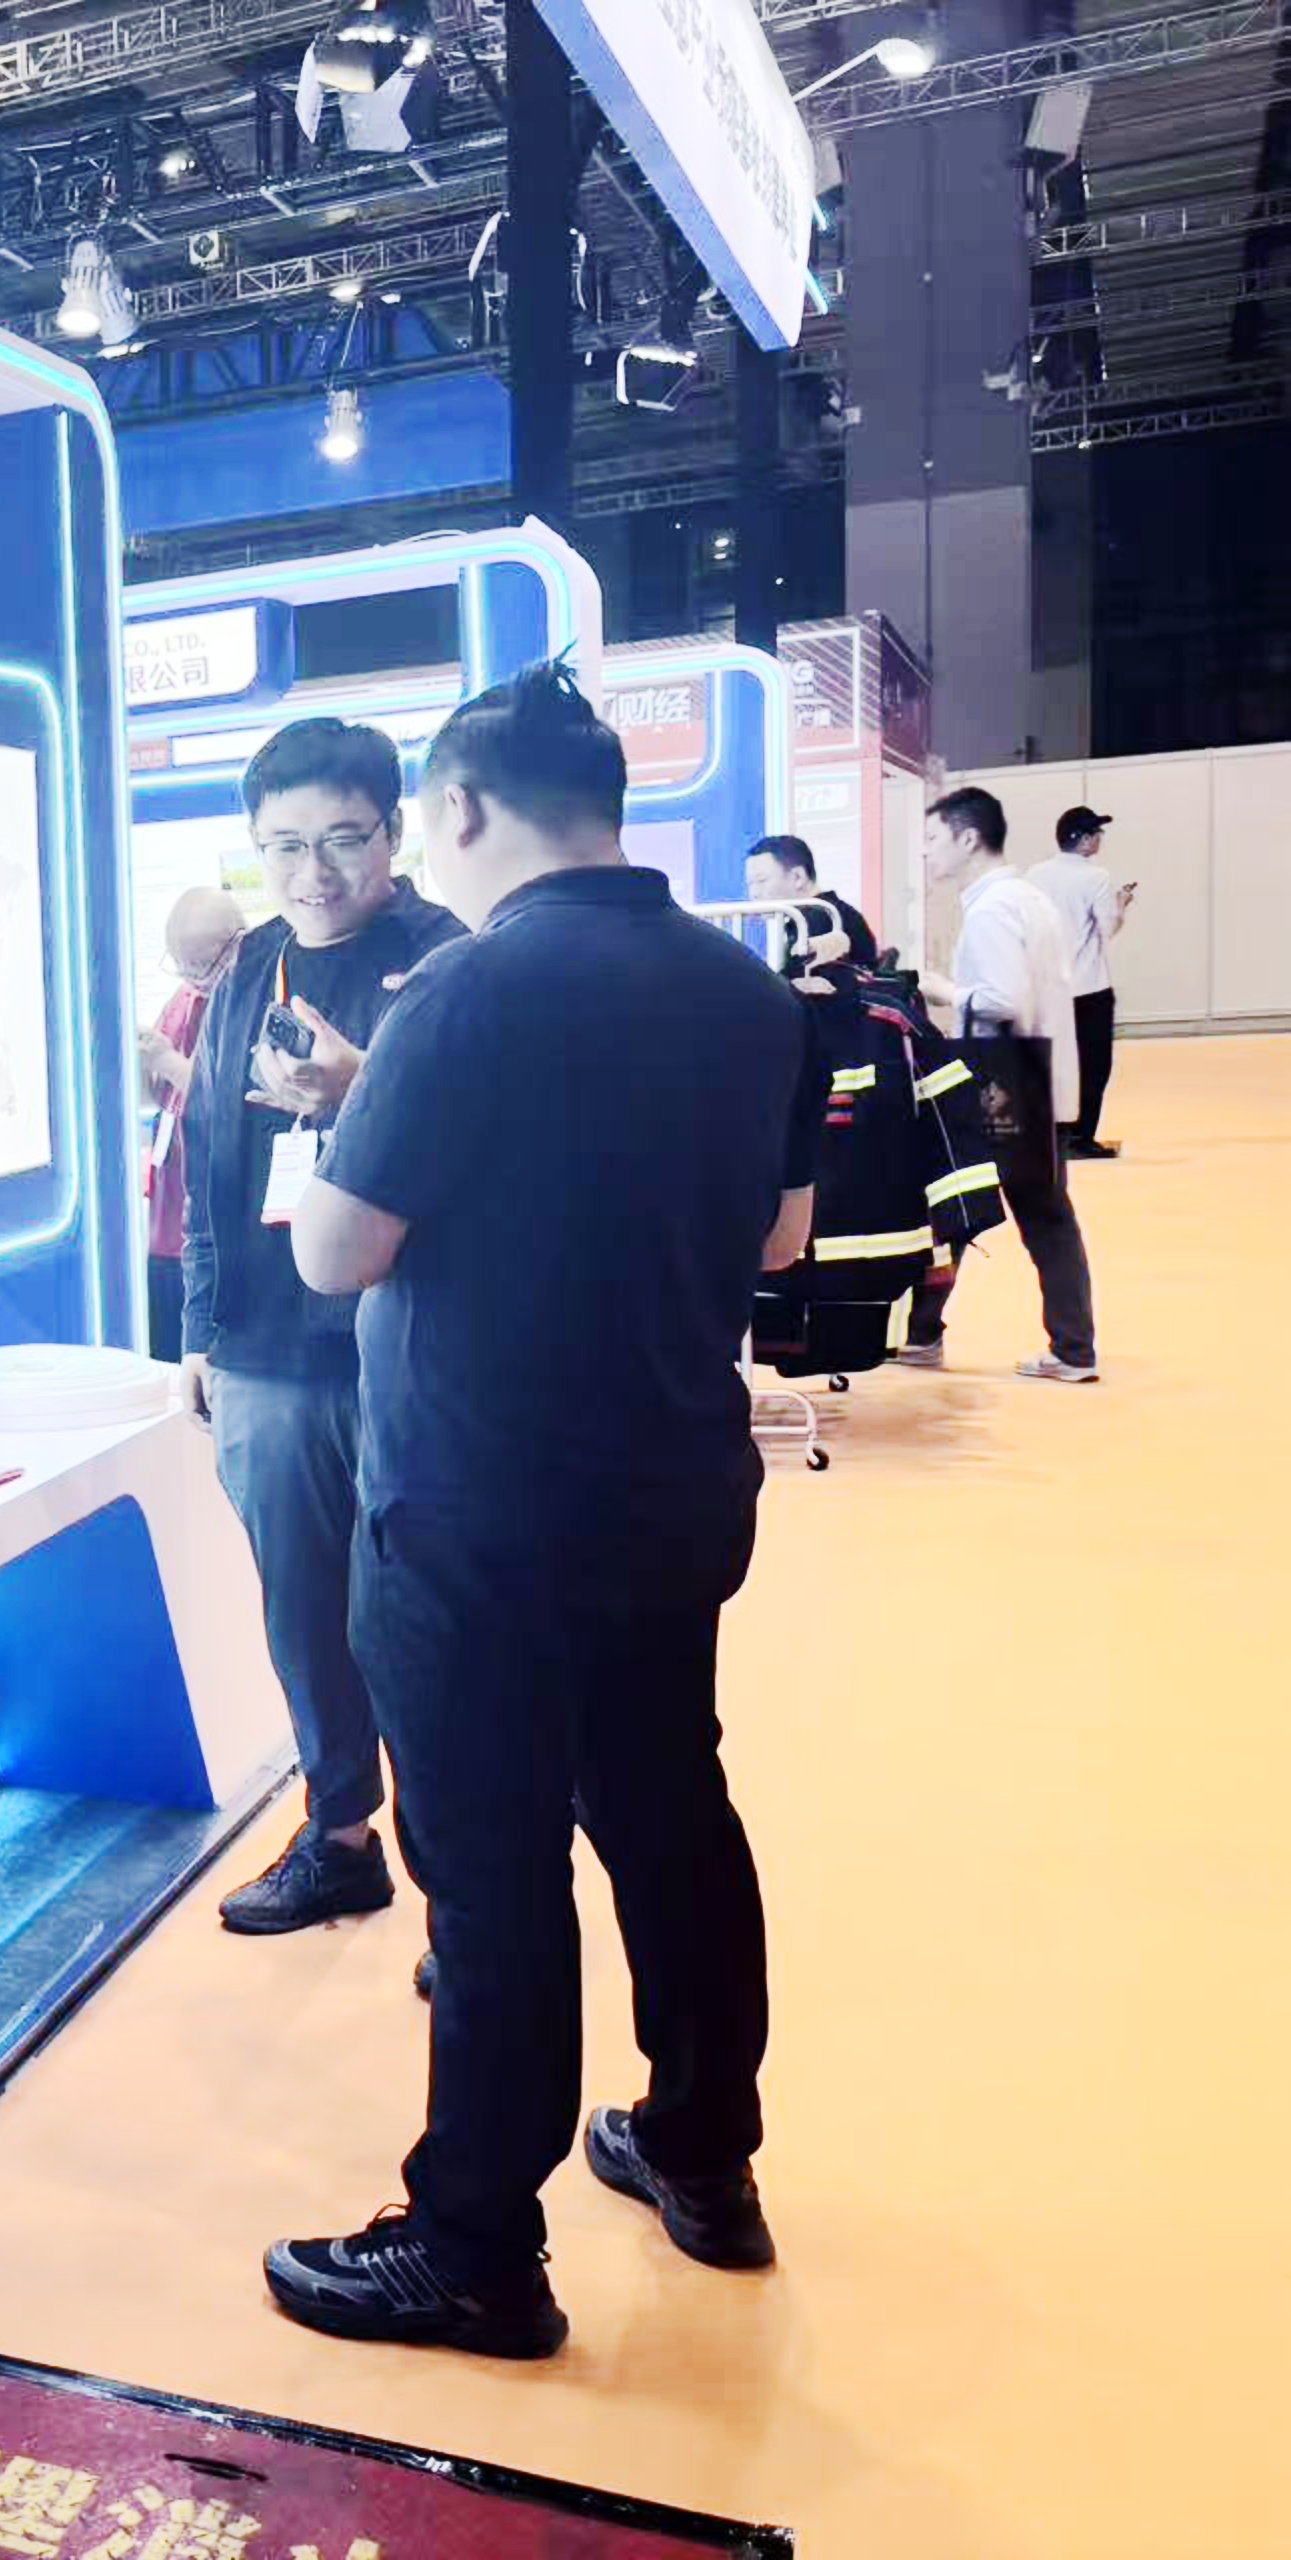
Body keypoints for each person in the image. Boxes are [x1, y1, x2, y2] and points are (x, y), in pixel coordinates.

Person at [258, 661, 816, 2361]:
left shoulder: (463, 994)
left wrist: (362, 1130)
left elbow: (333, 1252)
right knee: (668, 1814)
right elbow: (781, 1239)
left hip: (474, 1515)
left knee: (491, 1872)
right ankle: (701, 2156)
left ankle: (474, 2246)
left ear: (456, 808)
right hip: (670, 1488)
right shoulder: (746, 995)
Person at [179, 719, 462, 1936]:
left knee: (428, 1629)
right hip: (266, 1350)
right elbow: (209, 1154)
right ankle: (339, 1835)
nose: (314, 872)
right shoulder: (250, 967)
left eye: (343, 838)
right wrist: (200, 1326)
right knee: (302, 1610)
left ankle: (468, 1898)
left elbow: (489, 1160)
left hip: (410, 1351)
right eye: (283, 845)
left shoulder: (450, 962)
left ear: (393, 833)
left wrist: (362, 1091)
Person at [904, 789, 1100, 1384]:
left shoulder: (993, 909)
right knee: (1044, 1214)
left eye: (933, 838)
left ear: (968, 839)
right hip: (1037, 1077)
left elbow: (1001, 1000)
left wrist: (943, 990)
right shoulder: (1027, 899)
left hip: (1005, 1080)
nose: (926, 852)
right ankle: (1072, 1346)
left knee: (957, 1203)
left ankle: (923, 1334)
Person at [141, 887, 245, 1363]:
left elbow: (233, 1101)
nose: (190, 977)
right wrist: (143, 1061)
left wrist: (168, 1061)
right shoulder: (183, 998)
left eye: (200, 965)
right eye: (180, 965)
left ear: (237, 944)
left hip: (216, 1231)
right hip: (165, 1225)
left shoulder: (255, 999)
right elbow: (158, 1097)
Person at [1030, 805, 1136, 1160]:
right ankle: (1081, 1137)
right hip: (1089, 988)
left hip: (1047, 988)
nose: (1100, 838)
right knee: (1093, 1064)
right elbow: (1107, 928)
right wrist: (1120, 904)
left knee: (1053, 1063)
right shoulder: (1096, 878)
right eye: (1097, 833)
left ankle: (1052, 1135)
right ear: (1085, 840)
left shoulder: (1034, 875)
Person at [743, 833, 879, 978]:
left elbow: (791, 982)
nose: (754, 893)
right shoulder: (828, 912)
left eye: (762, 881)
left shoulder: (821, 918)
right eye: (750, 883)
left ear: (798, 877)